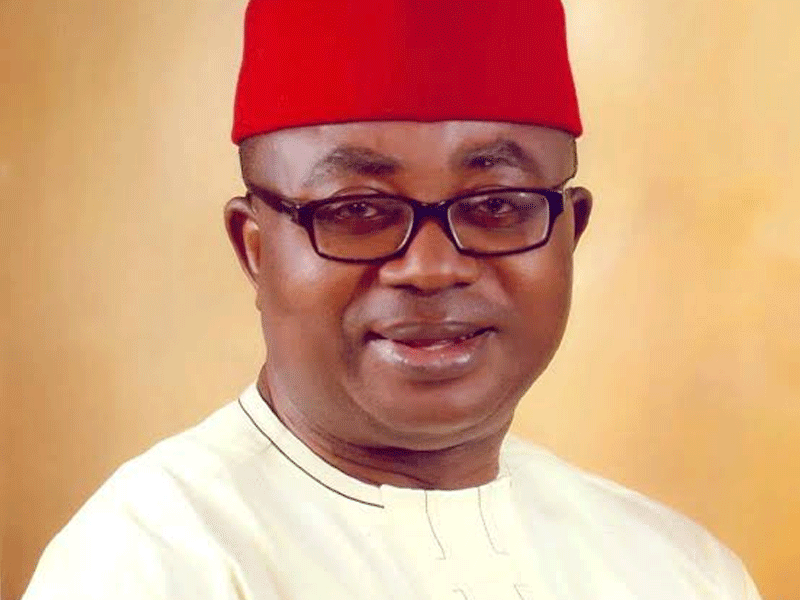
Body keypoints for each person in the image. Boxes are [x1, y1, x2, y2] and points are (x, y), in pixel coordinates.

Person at [22, 1, 762, 598]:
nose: (432, 269)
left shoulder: (680, 572)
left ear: (570, 232)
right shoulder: (154, 564)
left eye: (496, 205)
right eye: (357, 211)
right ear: (255, 249)